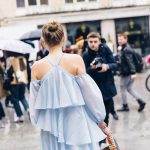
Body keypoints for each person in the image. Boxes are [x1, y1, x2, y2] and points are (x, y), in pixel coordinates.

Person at [29, 21, 110, 150]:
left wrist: (41, 121)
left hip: (51, 127)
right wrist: (100, 120)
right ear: (63, 38)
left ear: (43, 41)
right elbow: (90, 95)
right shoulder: (76, 60)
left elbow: (33, 105)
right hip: (76, 122)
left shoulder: (36, 67)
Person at [82, 32, 118, 125]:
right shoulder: (85, 55)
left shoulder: (105, 49)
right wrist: (91, 68)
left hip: (107, 85)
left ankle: (104, 136)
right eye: (90, 42)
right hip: (93, 89)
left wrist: (107, 66)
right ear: (87, 42)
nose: (93, 44)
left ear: (99, 41)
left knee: (106, 115)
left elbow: (115, 64)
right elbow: (83, 72)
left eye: (95, 41)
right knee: (96, 114)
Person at [117, 33, 146, 112]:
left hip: (127, 73)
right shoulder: (124, 48)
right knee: (129, 88)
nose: (119, 41)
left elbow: (130, 62)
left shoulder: (126, 49)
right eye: (118, 39)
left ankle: (125, 106)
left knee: (122, 88)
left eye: (121, 39)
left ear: (126, 39)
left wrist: (133, 72)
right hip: (128, 72)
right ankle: (141, 102)